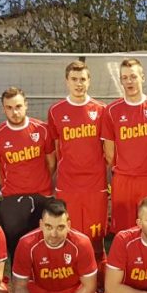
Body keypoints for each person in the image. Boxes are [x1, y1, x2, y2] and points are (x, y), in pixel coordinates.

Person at [47, 61, 108, 272]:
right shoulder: (56, 111)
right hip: (68, 183)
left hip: (95, 182)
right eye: (74, 79)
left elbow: (106, 147)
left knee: (96, 233)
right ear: (67, 81)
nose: (79, 83)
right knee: (68, 230)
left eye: (82, 79)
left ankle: (99, 275)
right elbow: (57, 147)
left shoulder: (101, 110)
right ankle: (71, 272)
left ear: (89, 81)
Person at [101, 58, 147, 234]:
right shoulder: (111, 111)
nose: (129, 81)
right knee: (124, 232)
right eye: (124, 78)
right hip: (123, 180)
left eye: (133, 76)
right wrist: (126, 169)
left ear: (142, 77)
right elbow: (109, 153)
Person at [0, 87, 56, 256]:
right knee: (16, 249)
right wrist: (8, 185)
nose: (14, 112)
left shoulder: (42, 129)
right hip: (12, 198)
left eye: (18, 106)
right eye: (9, 108)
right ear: (4, 109)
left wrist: (39, 182)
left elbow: (51, 163)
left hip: (42, 195)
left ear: (26, 105)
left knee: (44, 245)